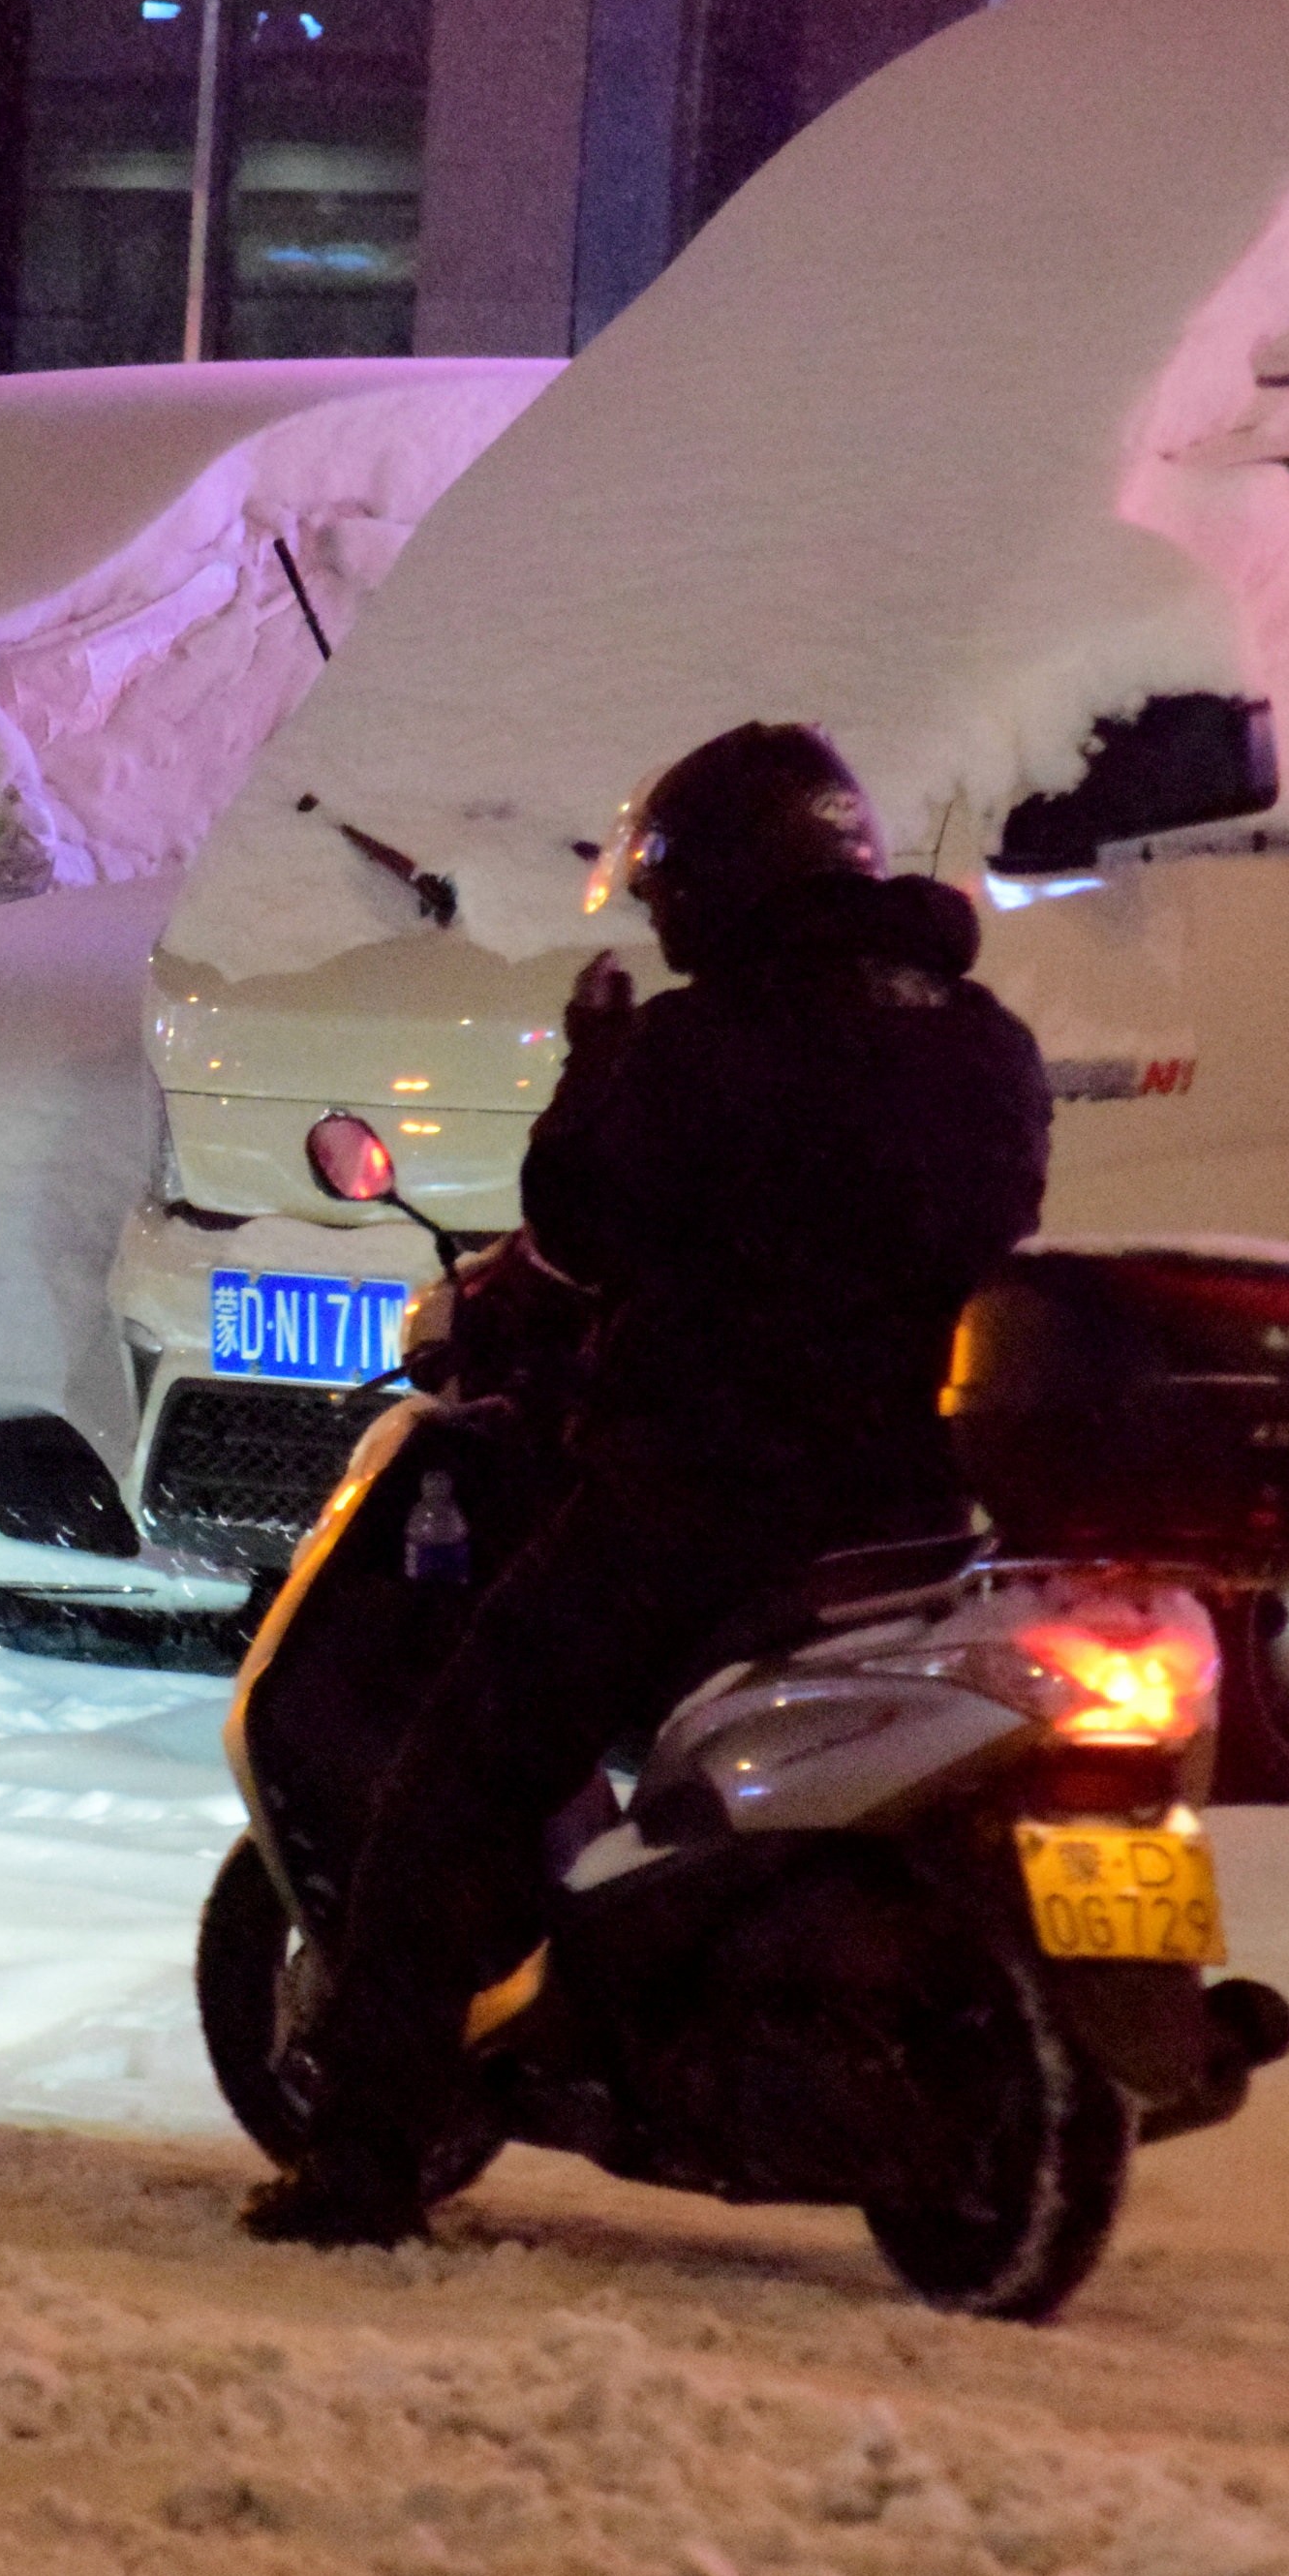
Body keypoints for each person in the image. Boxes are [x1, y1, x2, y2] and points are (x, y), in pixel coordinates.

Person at [246, 721, 1052, 2247]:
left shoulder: (708, 1046)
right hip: (915, 1507)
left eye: (669, 888)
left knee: (460, 1769)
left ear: (726, 886)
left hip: (702, 1501)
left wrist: (599, 1066)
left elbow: (582, 1219)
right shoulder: (979, 1042)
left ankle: (360, 2165)